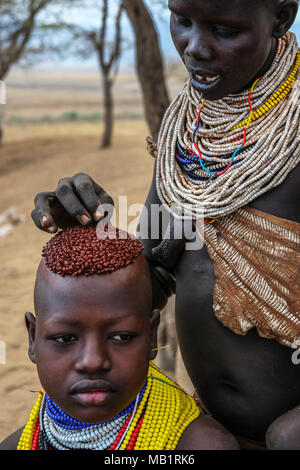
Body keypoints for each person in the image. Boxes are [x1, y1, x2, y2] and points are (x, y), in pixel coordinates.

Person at [31, 0, 300, 449]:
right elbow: (153, 277)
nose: (194, 47)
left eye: (223, 29)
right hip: (209, 427)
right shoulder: (188, 129)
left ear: (281, 18)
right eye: (182, 21)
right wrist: (89, 233)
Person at [0, 224, 239, 450]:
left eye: (121, 337)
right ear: (33, 339)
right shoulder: (18, 444)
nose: (93, 362)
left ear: (152, 335)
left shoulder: (200, 444)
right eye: (65, 339)